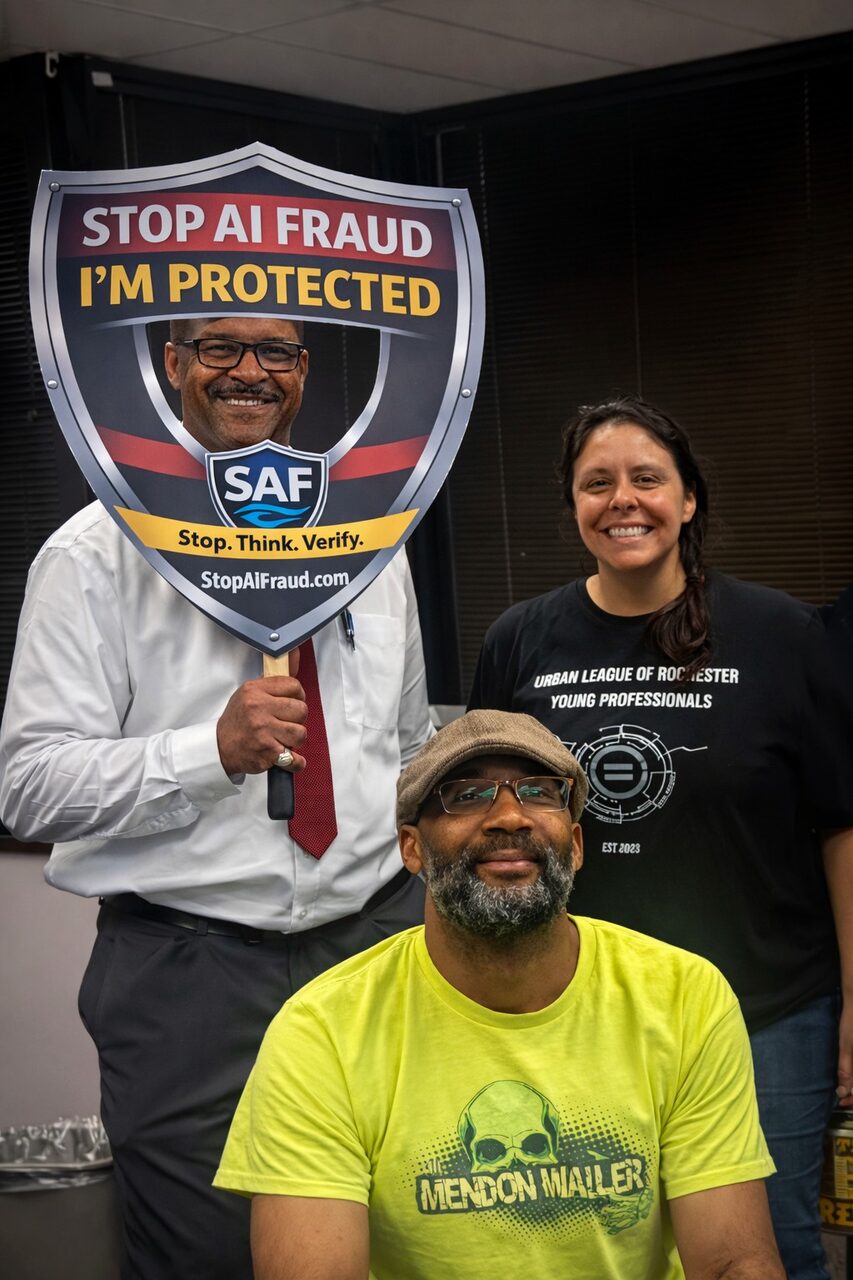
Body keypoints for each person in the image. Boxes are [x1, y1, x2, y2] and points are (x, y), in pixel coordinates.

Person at [0, 314, 433, 1280]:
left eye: (275, 352)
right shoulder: (92, 554)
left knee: (397, 1242)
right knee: (209, 1257)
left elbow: (405, 750)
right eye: (220, 349)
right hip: (189, 980)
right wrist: (211, 753)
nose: (249, 372)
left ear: (304, 371)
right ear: (172, 365)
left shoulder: (375, 543)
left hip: (375, 952)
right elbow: (29, 787)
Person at [468, 393, 853, 1280]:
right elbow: (484, 827)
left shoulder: (784, 635)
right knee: (607, 1243)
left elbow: (841, 825)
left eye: (646, 478)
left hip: (767, 1010)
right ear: (573, 505)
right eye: (595, 483)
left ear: (687, 499)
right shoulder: (520, 640)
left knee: (771, 1247)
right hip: (578, 1009)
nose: (622, 500)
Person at [215, 708, 785, 1280]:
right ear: (412, 848)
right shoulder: (323, 1032)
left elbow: (734, 1264)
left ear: (576, 844)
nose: (510, 816)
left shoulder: (682, 997)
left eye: (539, 792)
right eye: (467, 796)